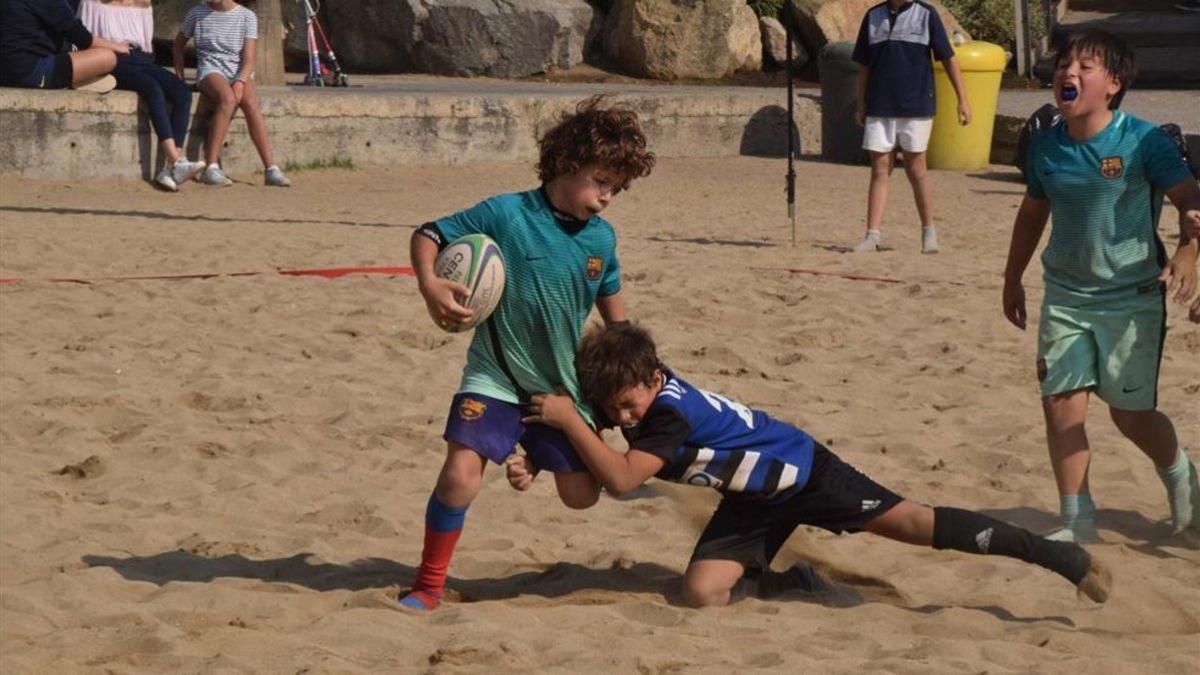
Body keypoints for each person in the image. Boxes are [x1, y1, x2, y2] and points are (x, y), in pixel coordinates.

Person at [508, 322, 1110, 608]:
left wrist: (567, 424)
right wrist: (538, 457)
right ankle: (791, 583)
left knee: (917, 527)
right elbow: (591, 445)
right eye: (611, 407)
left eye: (627, 402)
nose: (621, 413)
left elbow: (616, 479)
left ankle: (1058, 555)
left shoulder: (666, 413)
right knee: (698, 595)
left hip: (803, 471)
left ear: (655, 378)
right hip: (752, 497)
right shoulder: (626, 393)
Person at [400, 95, 656, 612]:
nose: (607, 197)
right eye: (601, 181)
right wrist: (430, 282)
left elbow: (614, 308)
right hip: (493, 375)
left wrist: (630, 360)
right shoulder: (508, 213)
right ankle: (428, 584)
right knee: (459, 474)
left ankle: (534, 453)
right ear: (566, 163)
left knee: (580, 496)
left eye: (616, 188)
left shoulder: (602, 239)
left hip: (560, 386)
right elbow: (429, 233)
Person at [1002, 28, 1200, 543]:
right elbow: (1031, 213)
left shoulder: (1143, 142)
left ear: (1113, 84)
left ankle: (1181, 475)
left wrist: (1188, 251)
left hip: (1131, 299)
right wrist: (1012, 278)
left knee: (1131, 416)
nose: (1069, 73)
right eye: (1065, 64)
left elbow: (1190, 201)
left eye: (1085, 67)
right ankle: (1077, 522)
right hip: (1066, 296)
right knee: (1061, 405)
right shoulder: (1046, 145)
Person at [850, 0, 971, 253]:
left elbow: (948, 58)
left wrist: (962, 99)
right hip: (879, 105)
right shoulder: (872, 16)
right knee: (880, 168)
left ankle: (929, 232)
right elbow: (864, 66)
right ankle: (872, 235)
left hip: (916, 105)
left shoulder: (926, 14)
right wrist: (860, 103)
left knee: (916, 169)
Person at [78, 0, 204, 191]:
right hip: (110, 58)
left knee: (181, 93)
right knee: (152, 89)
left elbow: (146, 47)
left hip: (139, 57)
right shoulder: (92, 3)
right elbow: (83, 40)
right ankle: (176, 161)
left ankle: (171, 168)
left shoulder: (143, 4)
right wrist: (113, 47)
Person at [173, 0, 289, 187]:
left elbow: (250, 59)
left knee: (251, 105)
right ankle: (211, 166)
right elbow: (178, 44)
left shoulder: (247, 16)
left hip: (239, 71)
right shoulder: (197, 13)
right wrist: (180, 78)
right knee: (227, 100)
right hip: (211, 69)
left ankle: (271, 168)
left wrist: (240, 81)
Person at [0, 0, 128, 91]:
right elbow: (81, 37)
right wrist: (117, 47)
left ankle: (78, 80)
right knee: (108, 58)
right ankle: (77, 80)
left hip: (7, 70)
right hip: (28, 72)